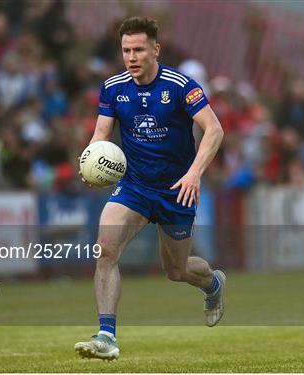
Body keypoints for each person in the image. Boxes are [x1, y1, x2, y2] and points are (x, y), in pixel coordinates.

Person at [75, 17, 225, 361]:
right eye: (126, 50)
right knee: (105, 249)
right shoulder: (113, 88)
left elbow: (213, 130)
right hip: (135, 186)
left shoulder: (181, 85)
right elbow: (101, 135)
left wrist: (194, 174)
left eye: (139, 49)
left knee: (176, 271)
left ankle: (212, 284)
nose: (132, 56)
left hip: (177, 189)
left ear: (155, 49)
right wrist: (89, 161)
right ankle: (106, 336)